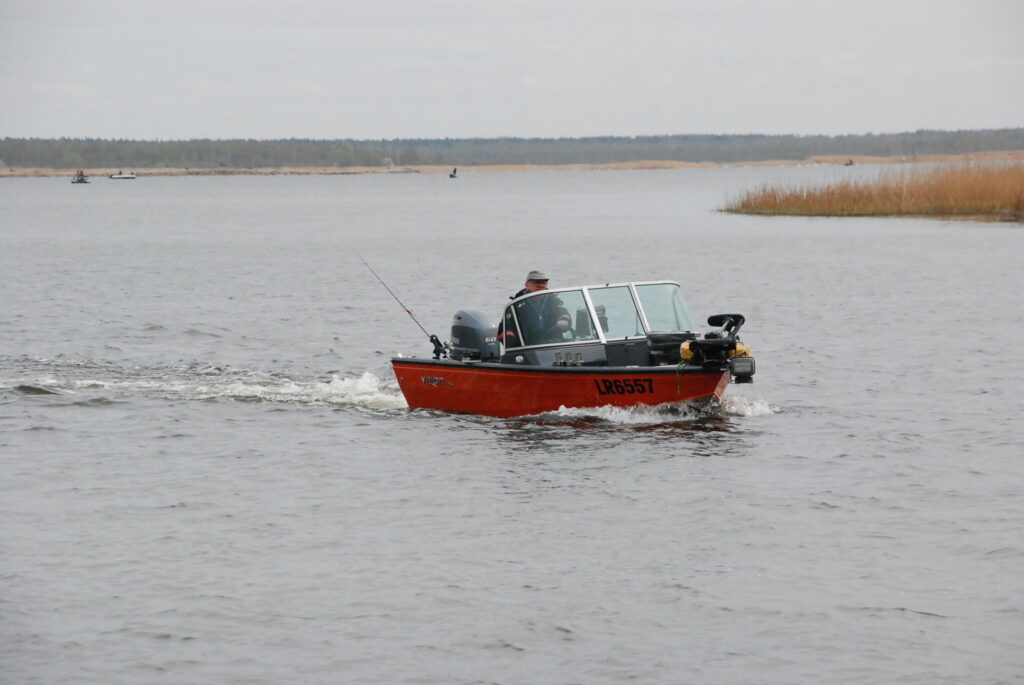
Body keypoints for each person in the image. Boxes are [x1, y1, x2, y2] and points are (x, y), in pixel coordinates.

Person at [499, 270, 572, 346]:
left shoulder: (554, 301)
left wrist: (564, 320)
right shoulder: (516, 306)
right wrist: (510, 337)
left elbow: (562, 312)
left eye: (543, 282)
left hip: (554, 344)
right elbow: (505, 329)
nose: (540, 285)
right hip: (527, 347)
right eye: (536, 282)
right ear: (527, 285)